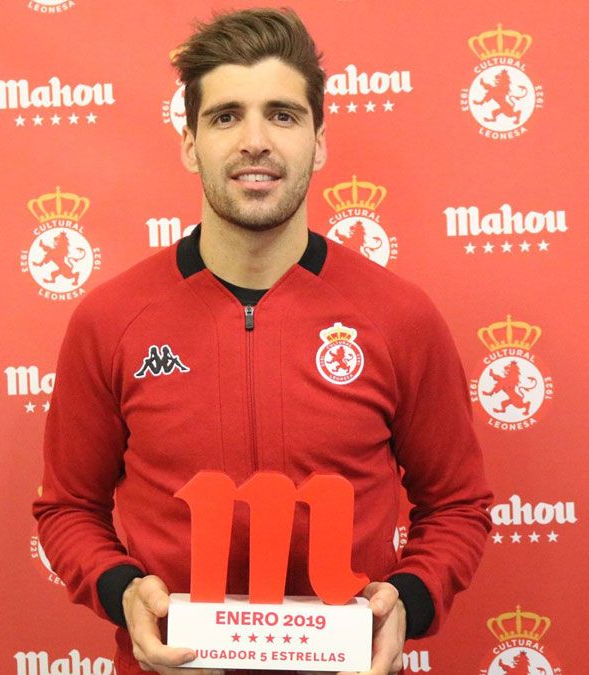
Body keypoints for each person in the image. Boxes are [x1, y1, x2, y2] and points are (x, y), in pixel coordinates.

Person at [32, 8, 492, 675]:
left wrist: (409, 602)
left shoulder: (400, 317)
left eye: (282, 114)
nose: (255, 141)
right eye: (225, 117)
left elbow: (457, 505)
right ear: (189, 143)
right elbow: (68, 508)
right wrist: (122, 590)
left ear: (320, 140)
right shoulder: (112, 319)